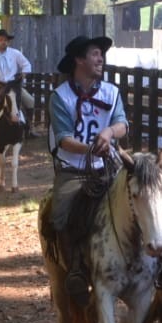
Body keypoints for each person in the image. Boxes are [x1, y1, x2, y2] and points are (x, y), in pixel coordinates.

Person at [48, 35, 128, 306]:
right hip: (74, 169)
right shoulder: (60, 97)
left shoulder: (112, 92)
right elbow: (63, 138)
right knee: (61, 212)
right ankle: (75, 270)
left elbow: (122, 125)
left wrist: (109, 132)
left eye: (101, 54)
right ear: (79, 60)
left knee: (144, 195)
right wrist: (91, 149)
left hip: (109, 165)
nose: (100, 59)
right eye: (95, 54)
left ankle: (158, 258)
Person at [0, 27, 34, 117]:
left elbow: (26, 65)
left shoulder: (15, 53)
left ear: (8, 42)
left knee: (30, 102)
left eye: (6, 40)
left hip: (13, 85)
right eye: (1, 40)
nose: (3, 42)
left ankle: (28, 127)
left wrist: (22, 76)